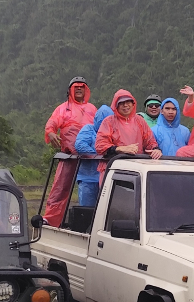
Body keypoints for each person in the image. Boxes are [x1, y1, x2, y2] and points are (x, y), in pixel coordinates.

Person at [42, 76, 97, 227]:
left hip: (89, 157)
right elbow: (52, 122)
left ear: (86, 90)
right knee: (60, 189)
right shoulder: (62, 108)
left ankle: (90, 222)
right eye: (76, 87)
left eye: (82, 87)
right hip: (69, 156)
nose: (79, 89)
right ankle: (51, 219)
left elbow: (101, 126)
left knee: (92, 188)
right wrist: (51, 132)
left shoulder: (92, 109)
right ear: (69, 90)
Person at [95, 90, 161, 174]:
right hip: (112, 168)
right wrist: (120, 149)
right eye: (122, 103)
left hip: (137, 169)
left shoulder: (140, 120)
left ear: (133, 103)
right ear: (116, 105)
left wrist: (156, 150)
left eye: (128, 101)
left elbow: (150, 141)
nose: (125, 105)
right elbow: (100, 146)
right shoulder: (108, 122)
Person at [73, 104, 113, 208]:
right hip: (88, 178)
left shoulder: (112, 133)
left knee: (104, 209)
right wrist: (99, 153)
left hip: (106, 178)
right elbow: (80, 145)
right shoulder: (89, 129)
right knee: (87, 211)